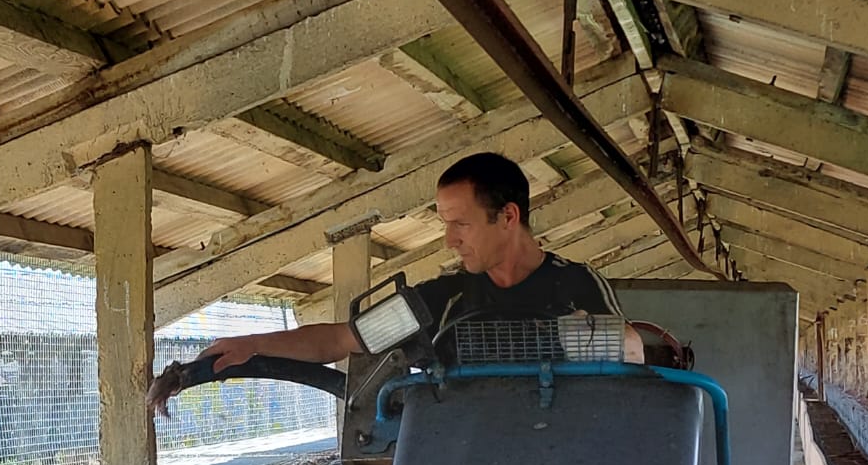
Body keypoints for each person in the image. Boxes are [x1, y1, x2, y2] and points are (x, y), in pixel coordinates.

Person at [149, 152, 639, 415]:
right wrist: (251, 343)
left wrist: (590, 338)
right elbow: (341, 339)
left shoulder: (576, 286)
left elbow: (632, 360)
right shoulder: (441, 301)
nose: (449, 240)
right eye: (445, 224)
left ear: (508, 216)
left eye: (460, 224)